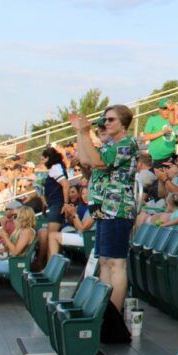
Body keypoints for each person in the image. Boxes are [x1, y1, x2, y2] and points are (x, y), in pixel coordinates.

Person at [70, 105, 139, 312]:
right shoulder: (110, 144)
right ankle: (103, 311)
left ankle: (114, 315)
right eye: (104, 120)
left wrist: (84, 132)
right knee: (105, 262)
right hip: (103, 209)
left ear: (123, 124)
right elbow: (85, 160)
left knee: (116, 264)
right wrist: (80, 133)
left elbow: (99, 163)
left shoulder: (127, 143)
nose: (106, 123)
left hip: (117, 208)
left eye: (111, 120)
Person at [35, 146, 70, 268]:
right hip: (53, 205)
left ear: (48, 158)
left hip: (57, 206)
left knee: (52, 238)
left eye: (43, 159)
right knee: (49, 236)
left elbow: (65, 185)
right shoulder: (56, 168)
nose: (42, 162)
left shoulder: (56, 168)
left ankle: (50, 267)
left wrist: (65, 203)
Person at [46, 185, 93, 261]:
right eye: (83, 194)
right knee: (52, 235)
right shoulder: (89, 208)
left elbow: (82, 228)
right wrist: (71, 214)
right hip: (81, 235)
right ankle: (53, 266)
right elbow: (78, 227)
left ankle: (52, 267)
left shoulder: (94, 209)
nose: (85, 196)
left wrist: (74, 213)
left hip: (88, 239)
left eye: (87, 193)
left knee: (52, 235)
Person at [142, 99, 177, 165]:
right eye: (164, 109)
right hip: (155, 157)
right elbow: (146, 137)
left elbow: (177, 138)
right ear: (159, 109)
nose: (167, 111)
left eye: (168, 109)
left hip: (171, 157)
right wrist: (162, 132)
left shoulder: (174, 120)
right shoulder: (152, 119)